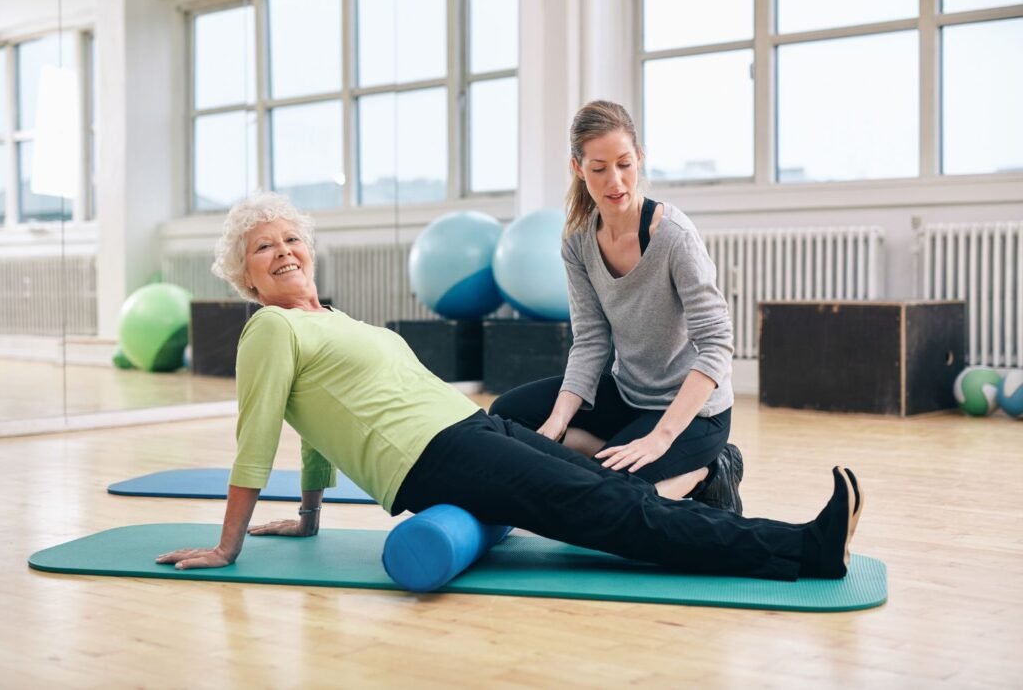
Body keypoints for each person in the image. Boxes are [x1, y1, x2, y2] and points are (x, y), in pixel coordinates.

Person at [156, 192, 863, 582]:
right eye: (263, 247)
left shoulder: (330, 319)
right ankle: (804, 547)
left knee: (619, 494)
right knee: (605, 509)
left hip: (470, 428)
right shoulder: (270, 330)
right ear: (245, 276)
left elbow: (313, 426)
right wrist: (230, 543)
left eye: (290, 238)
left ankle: (779, 535)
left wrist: (311, 513)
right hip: (435, 457)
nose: (282, 251)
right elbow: (260, 431)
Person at [489, 100, 743, 512]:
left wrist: (661, 436)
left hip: (695, 415)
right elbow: (590, 341)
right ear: (578, 168)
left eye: (624, 164)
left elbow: (716, 344)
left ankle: (712, 470)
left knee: (608, 500)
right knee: (508, 420)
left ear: (639, 158)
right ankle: (614, 452)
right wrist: (556, 423)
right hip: (630, 396)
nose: (616, 181)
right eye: (599, 168)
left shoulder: (674, 237)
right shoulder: (578, 242)